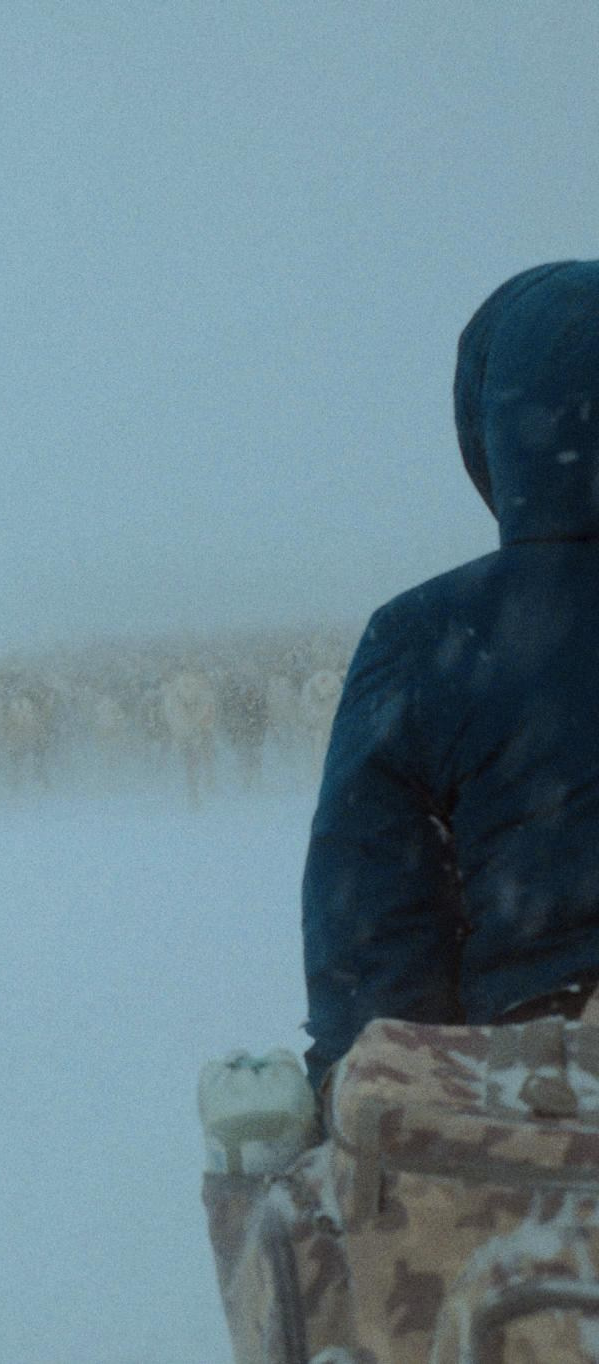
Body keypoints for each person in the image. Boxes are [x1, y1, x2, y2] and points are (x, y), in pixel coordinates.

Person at [302, 260, 599, 1092]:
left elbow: (373, 947)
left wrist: (349, 1090)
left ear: (497, 430)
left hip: (533, 1129)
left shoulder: (426, 640)